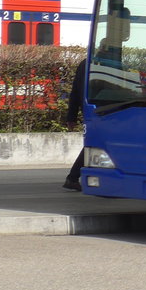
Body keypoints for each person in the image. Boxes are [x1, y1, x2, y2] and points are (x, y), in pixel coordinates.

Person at [62, 55, 87, 191]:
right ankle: (72, 177)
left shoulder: (85, 63)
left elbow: (75, 93)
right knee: (95, 145)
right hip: (101, 111)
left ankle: (73, 177)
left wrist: (71, 117)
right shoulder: (102, 63)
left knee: (94, 144)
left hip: (89, 110)